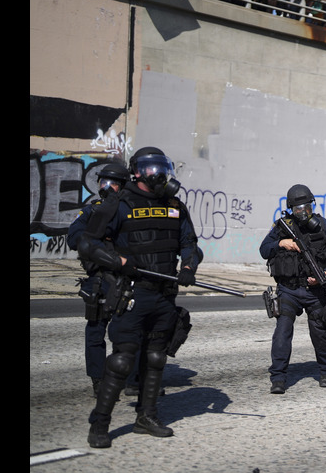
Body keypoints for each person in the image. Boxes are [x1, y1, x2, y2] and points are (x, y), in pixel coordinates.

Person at [78, 147, 201, 448]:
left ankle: (146, 416)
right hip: (133, 292)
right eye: (150, 169)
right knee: (122, 360)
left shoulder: (174, 206)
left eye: (161, 168)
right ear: (136, 172)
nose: (158, 174)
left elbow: (190, 243)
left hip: (164, 294)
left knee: (156, 356)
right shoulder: (119, 204)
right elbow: (87, 243)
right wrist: (118, 262)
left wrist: (188, 265)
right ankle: (100, 425)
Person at [260, 184, 326, 395]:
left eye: (307, 207)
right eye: (298, 208)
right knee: (282, 331)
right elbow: (264, 250)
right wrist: (282, 243)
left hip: (314, 291)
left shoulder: (323, 225)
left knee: (319, 331)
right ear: (291, 208)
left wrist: (325, 275)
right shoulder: (282, 227)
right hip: (288, 289)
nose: (303, 212)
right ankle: (278, 378)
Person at [68, 160, 130, 397]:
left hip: (128, 276)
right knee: (95, 330)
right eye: (104, 182)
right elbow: (74, 238)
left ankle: (134, 379)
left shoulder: (130, 211)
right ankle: (98, 379)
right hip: (102, 278)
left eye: (113, 184)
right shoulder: (92, 210)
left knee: (132, 330)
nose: (107, 187)